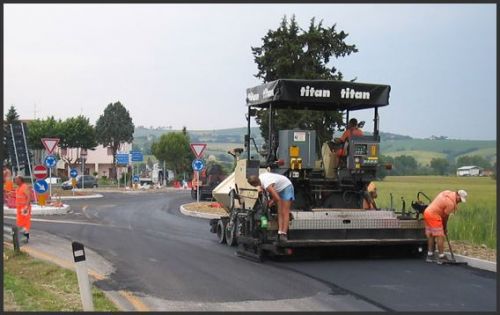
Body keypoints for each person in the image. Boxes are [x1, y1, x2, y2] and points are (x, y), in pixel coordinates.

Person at [423, 189, 467, 264]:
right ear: (457, 195)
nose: (459, 202)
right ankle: (441, 256)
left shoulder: (447, 193)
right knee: (440, 236)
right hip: (434, 216)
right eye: (459, 199)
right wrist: (444, 228)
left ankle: (430, 256)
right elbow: (445, 217)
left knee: (431, 235)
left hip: (427, 212)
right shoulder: (450, 204)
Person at [248, 172, 294, 241]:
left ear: (254, 184)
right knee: (279, 212)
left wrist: (270, 203)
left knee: (285, 212)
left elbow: (277, 198)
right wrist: (261, 189)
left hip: (286, 187)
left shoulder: (267, 185)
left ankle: (284, 234)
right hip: (279, 188)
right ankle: (280, 232)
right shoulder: (260, 177)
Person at [14, 176, 32, 242]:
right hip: (19, 209)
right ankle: (21, 237)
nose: (15, 181)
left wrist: (26, 207)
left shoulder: (25, 187)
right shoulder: (18, 187)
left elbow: (29, 197)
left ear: (20, 180)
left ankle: (25, 237)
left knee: (25, 223)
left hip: (24, 209)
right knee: (20, 223)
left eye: (16, 180)